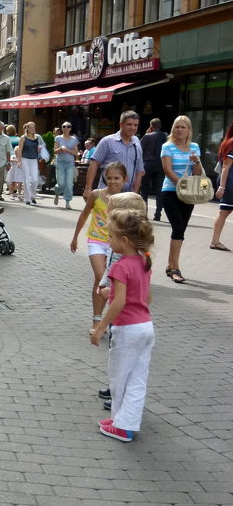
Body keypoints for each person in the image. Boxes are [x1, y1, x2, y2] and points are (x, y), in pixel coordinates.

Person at [90, 209, 155, 443]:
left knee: (119, 378)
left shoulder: (120, 266)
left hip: (128, 330)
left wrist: (99, 328)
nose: (108, 240)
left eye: (111, 236)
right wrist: (114, 294)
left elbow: (119, 303)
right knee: (137, 378)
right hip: (146, 327)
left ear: (124, 240)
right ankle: (125, 422)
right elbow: (146, 298)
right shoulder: (143, 260)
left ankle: (122, 426)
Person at [96, 191, 148, 413]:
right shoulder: (141, 255)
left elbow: (119, 295)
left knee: (121, 358)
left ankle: (119, 397)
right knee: (127, 361)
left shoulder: (124, 256)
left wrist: (99, 327)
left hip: (125, 319)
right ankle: (116, 389)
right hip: (141, 322)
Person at [70, 162, 128, 330]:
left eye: (116, 178)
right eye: (108, 178)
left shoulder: (126, 199)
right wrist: (75, 238)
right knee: (101, 277)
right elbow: (83, 215)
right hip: (96, 241)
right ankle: (97, 320)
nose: (112, 181)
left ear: (124, 179)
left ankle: (111, 319)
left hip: (115, 245)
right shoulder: (96, 195)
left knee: (111, 282)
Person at [161, 115, 203, 284]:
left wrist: (196, 160)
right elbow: (167, 171)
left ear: (189, 130)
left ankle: (170, 265)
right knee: (178, 227)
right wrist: (182, 186)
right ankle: (174, 269)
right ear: (173, 129)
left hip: (189, 195)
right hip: (170, 192)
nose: (179, 130)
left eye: (183, 127)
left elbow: (198, 172)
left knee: (180, 231)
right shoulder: (167, 147)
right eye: (177, 127)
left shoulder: (194, 147)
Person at [83, 111, 144, 199]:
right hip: (107, 193)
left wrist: (135, 194)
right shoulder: (107, 141)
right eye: (129, 124)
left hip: (127, 195)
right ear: (121, 125)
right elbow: (94, 164)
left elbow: (139, 171)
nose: (132, 128)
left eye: (135, 125)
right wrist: (88, 188)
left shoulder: (137, 143)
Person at [211, 123, 233, 251]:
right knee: (224, 211)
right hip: (229, 181)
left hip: (227, 181)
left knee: (225, 211)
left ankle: (215, 241)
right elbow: (226, 166)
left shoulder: (227, 142)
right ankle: (214, 241)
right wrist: (222, 187)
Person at [140, 117, 168, 221]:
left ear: (151, 126)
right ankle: (158, 214)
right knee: (159, 190)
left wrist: (146, 134)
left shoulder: (147, 136)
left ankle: (144, 213)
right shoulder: (166, 136)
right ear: (160, 126)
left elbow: (139, 148)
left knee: (144, 190)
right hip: (160, 165)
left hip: (147, 163)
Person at [16, 121, 46, 205]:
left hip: (34, 160)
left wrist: (40, 148)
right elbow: (20, 149)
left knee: (35, 179)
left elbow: (43, 145)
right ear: (27, 129)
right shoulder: (23, 138)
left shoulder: (37, 137)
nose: (33, 129)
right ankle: (28, 198)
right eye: (31, 127)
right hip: (25, 159)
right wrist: (19, 161)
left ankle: (33, 195)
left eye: (34, 127)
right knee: (26, 179)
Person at [53, 122, 79, 210]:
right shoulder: (58, 138)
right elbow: (55, 151)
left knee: (69, 183)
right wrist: (60, 149)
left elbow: (76, 152)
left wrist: (67, 150)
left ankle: (67, 202)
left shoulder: (74, 139)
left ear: (70, 128)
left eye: (68, 126)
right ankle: (57, 193)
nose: (66, 128)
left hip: (70, 163)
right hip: (60, 162)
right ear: (62, 128)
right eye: (64, 126)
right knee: (61, 183)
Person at [5, 125, 23, 200]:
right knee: (17, 177)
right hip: (18, 156)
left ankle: (10, 190)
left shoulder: (7, 139)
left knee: (10, 176)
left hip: (10, 156)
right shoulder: (18, 139)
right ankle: (14, 190)